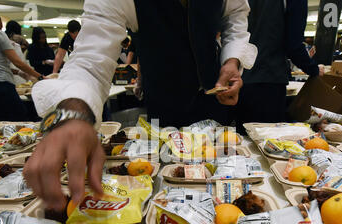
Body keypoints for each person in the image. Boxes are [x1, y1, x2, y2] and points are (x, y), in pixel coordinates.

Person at [25, 0, 257, 211]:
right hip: (162, 101)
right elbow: (90, 61)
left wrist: (232, 60)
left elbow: (235, 15)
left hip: (212, 96)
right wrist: (74, 112)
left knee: (220, 185)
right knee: (163, 185)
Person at [236, 0, 322, 132]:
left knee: (242, 142)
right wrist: (314, 69)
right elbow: (294, 46)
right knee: (267, 141)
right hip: (270, 79)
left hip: (239, 77)